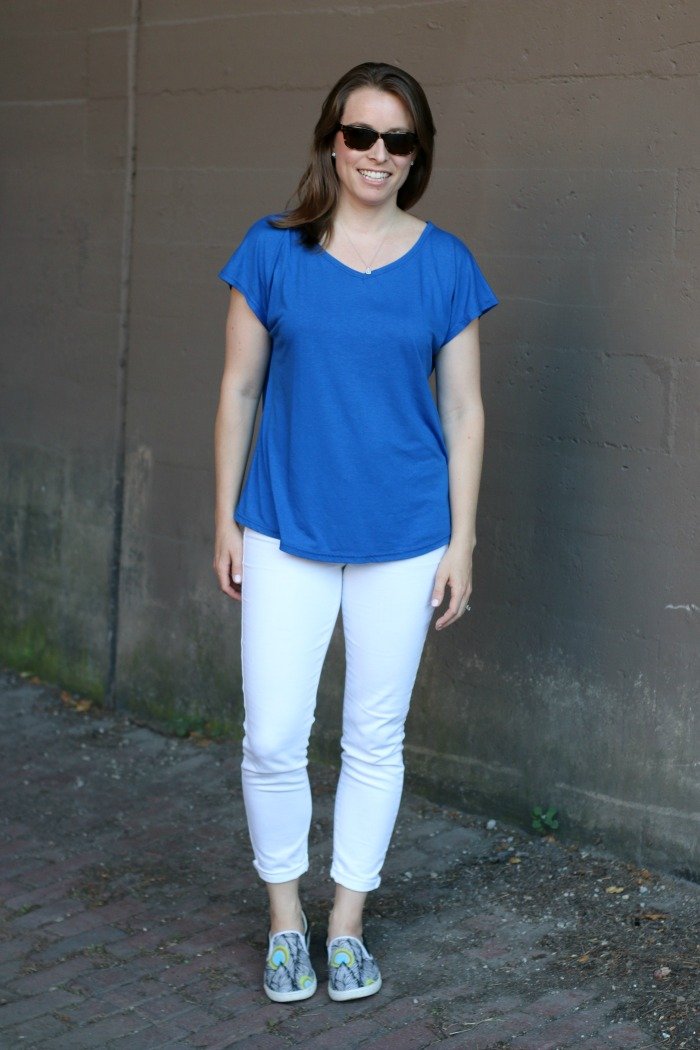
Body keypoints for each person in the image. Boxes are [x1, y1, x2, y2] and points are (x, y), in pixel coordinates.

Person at [213, 61, 498, 1004]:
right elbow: (238, 390)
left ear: (417, 154)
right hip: (286, 525)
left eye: (398, 140)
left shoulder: (446, 263)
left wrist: (460, 540)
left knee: (375, 737)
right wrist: (226, 520)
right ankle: (285, 918)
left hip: (408, 531)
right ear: (332, 140)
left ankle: (345, 925)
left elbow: (463, 412)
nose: (378, 154)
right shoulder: (273, 249)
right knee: (272, 737)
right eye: (362, 134)